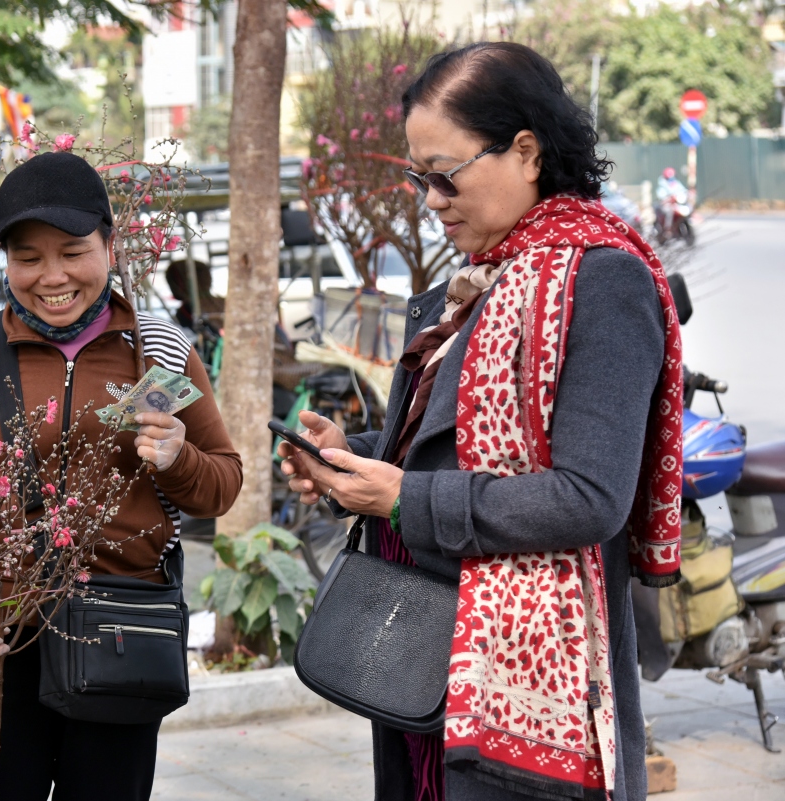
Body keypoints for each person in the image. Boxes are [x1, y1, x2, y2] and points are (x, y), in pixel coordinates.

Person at [280, 42, 682, 801]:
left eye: (444, 174)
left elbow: (587, 496)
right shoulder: (474, 284)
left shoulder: (600, 279)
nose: (430, 198)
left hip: (528, 681)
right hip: (426, 650)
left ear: (525, 151)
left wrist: (402, 498)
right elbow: (449, 445)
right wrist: (353, 457)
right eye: (417, 177)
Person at [0, 151, 242, 801]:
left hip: (119, 632)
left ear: (110, 243)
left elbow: (221, 482)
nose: (52, 276)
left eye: (73, 250)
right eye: (28, 257)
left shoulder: (157, 353)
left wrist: (178, 456)